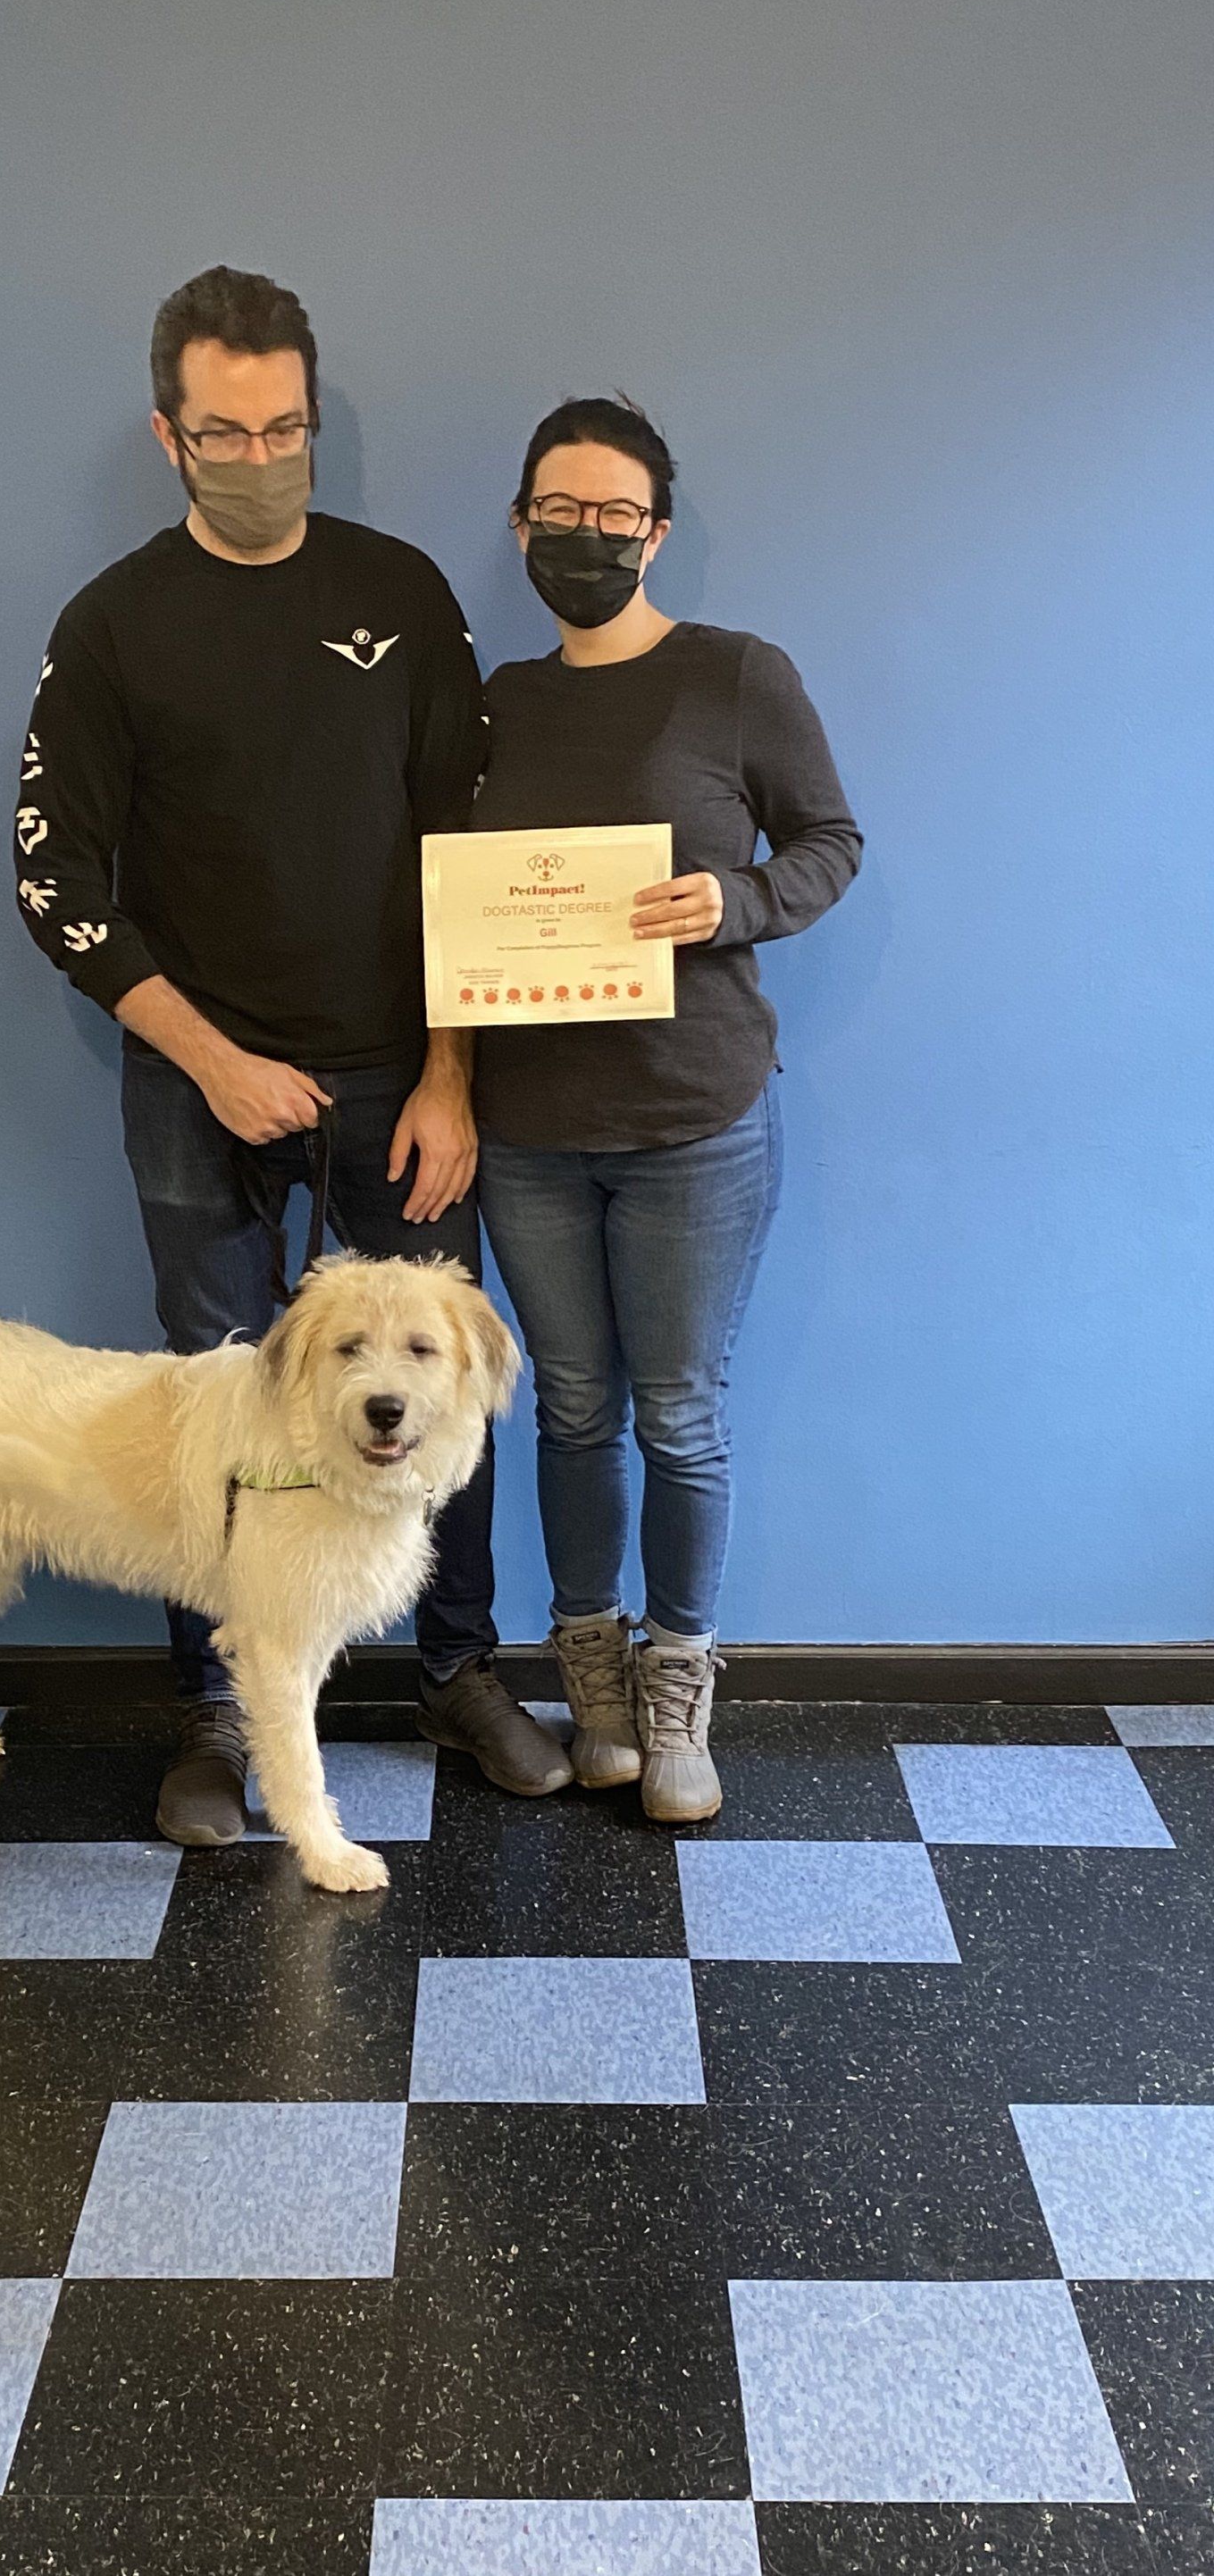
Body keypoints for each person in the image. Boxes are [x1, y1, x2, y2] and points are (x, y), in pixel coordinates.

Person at [13, 267, 573, 1844]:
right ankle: (210, 1709)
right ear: (170, 435)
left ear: (313, 420)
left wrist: (456, 1077)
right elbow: (56, 884)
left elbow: (465, 844)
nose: (259, 455)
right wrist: (213, 1058)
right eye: (224, 431)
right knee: (219, 1399)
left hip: (406, 1077)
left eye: (285, 427)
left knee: (434, 1386)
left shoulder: (398, 593)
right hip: (200, 1084)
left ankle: (460, 1673)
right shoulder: (113, 624)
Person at [472, 396, 862, 1819]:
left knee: (681, 1411)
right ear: (521, 524)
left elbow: (831, 841)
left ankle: (680, 1675)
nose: (585, 537)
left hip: (698, 1118)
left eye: (615, 515)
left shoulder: (736, 675)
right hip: (527, 1129)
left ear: (659, 533)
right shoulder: (493, 702)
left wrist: (736, 898)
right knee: (571, 1409)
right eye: (558, 513)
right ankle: (591, 1666)